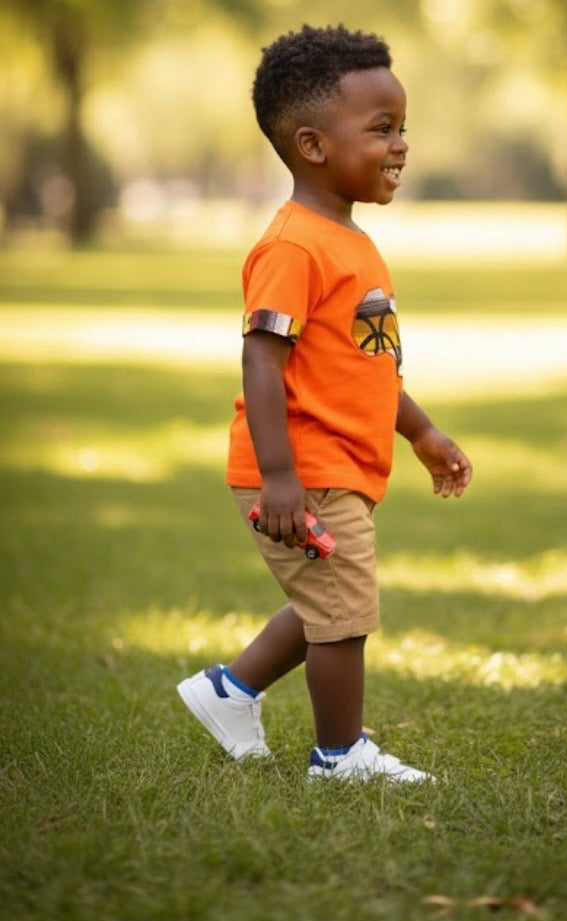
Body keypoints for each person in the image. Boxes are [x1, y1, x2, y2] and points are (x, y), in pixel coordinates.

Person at [177, 24, 472, 783]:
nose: (400, 145)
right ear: (312, 145)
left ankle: (228, 691)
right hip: (303, 468)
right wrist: (280, 476)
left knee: (331, 600)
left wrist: (422, 432)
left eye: (401, 128)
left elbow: (365, 366)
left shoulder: (350, 241)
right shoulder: (293, 246)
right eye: (382, 129)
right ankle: (340, 757)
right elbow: (261, 360)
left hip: (336, 462)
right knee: (344, 614)